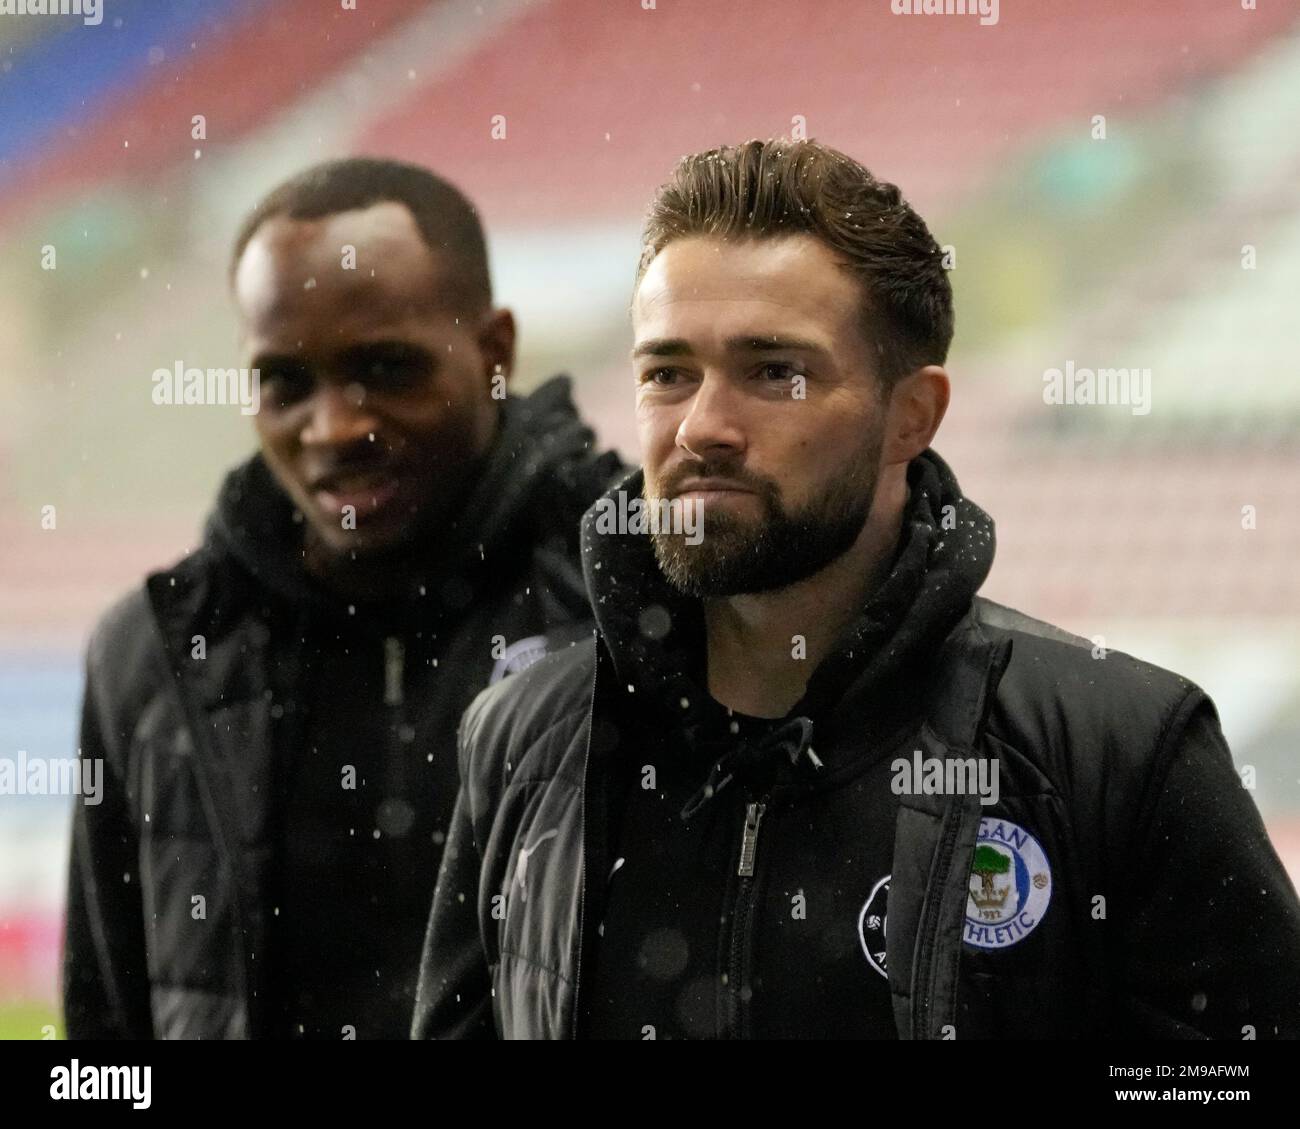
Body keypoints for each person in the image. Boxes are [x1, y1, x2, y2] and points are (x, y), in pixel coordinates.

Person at [412, 138, 1300, 1040]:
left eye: (775, 372)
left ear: (912, 415)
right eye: (667, 374)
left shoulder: (1115, 751)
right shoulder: (523, 739)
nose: (702, 427)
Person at [62, 157, 625, 1039]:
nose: (334, 427)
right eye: (285, 382)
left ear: (495, 353)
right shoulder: (153, 652)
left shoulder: (632, 597)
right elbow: (105, 1037)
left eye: (388, 368)